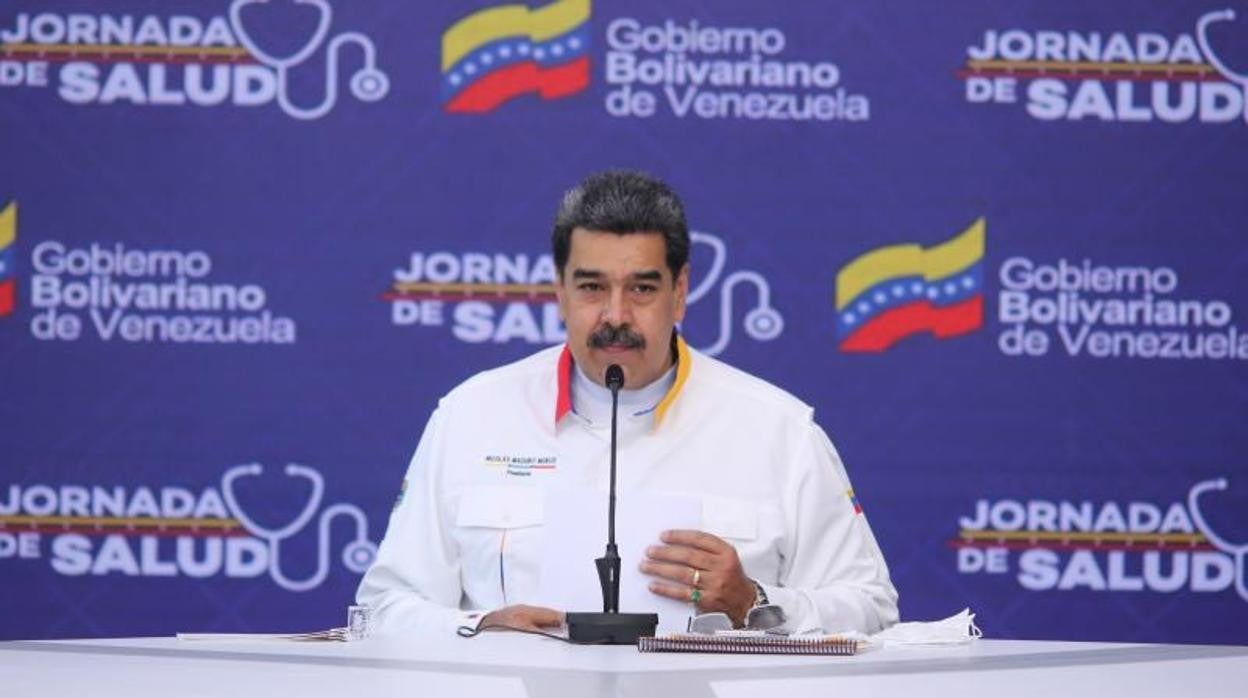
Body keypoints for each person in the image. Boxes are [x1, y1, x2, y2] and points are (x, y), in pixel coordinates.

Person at [357, 171, 898, 636]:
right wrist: (476, 629)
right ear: (560, 292)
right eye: (592, 287)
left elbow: (872, 608)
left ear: (680, 291)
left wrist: (754, 603)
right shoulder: (471, 415)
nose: (615, 315)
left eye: (642, 289)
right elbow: (383, 607)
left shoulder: (780, 431)